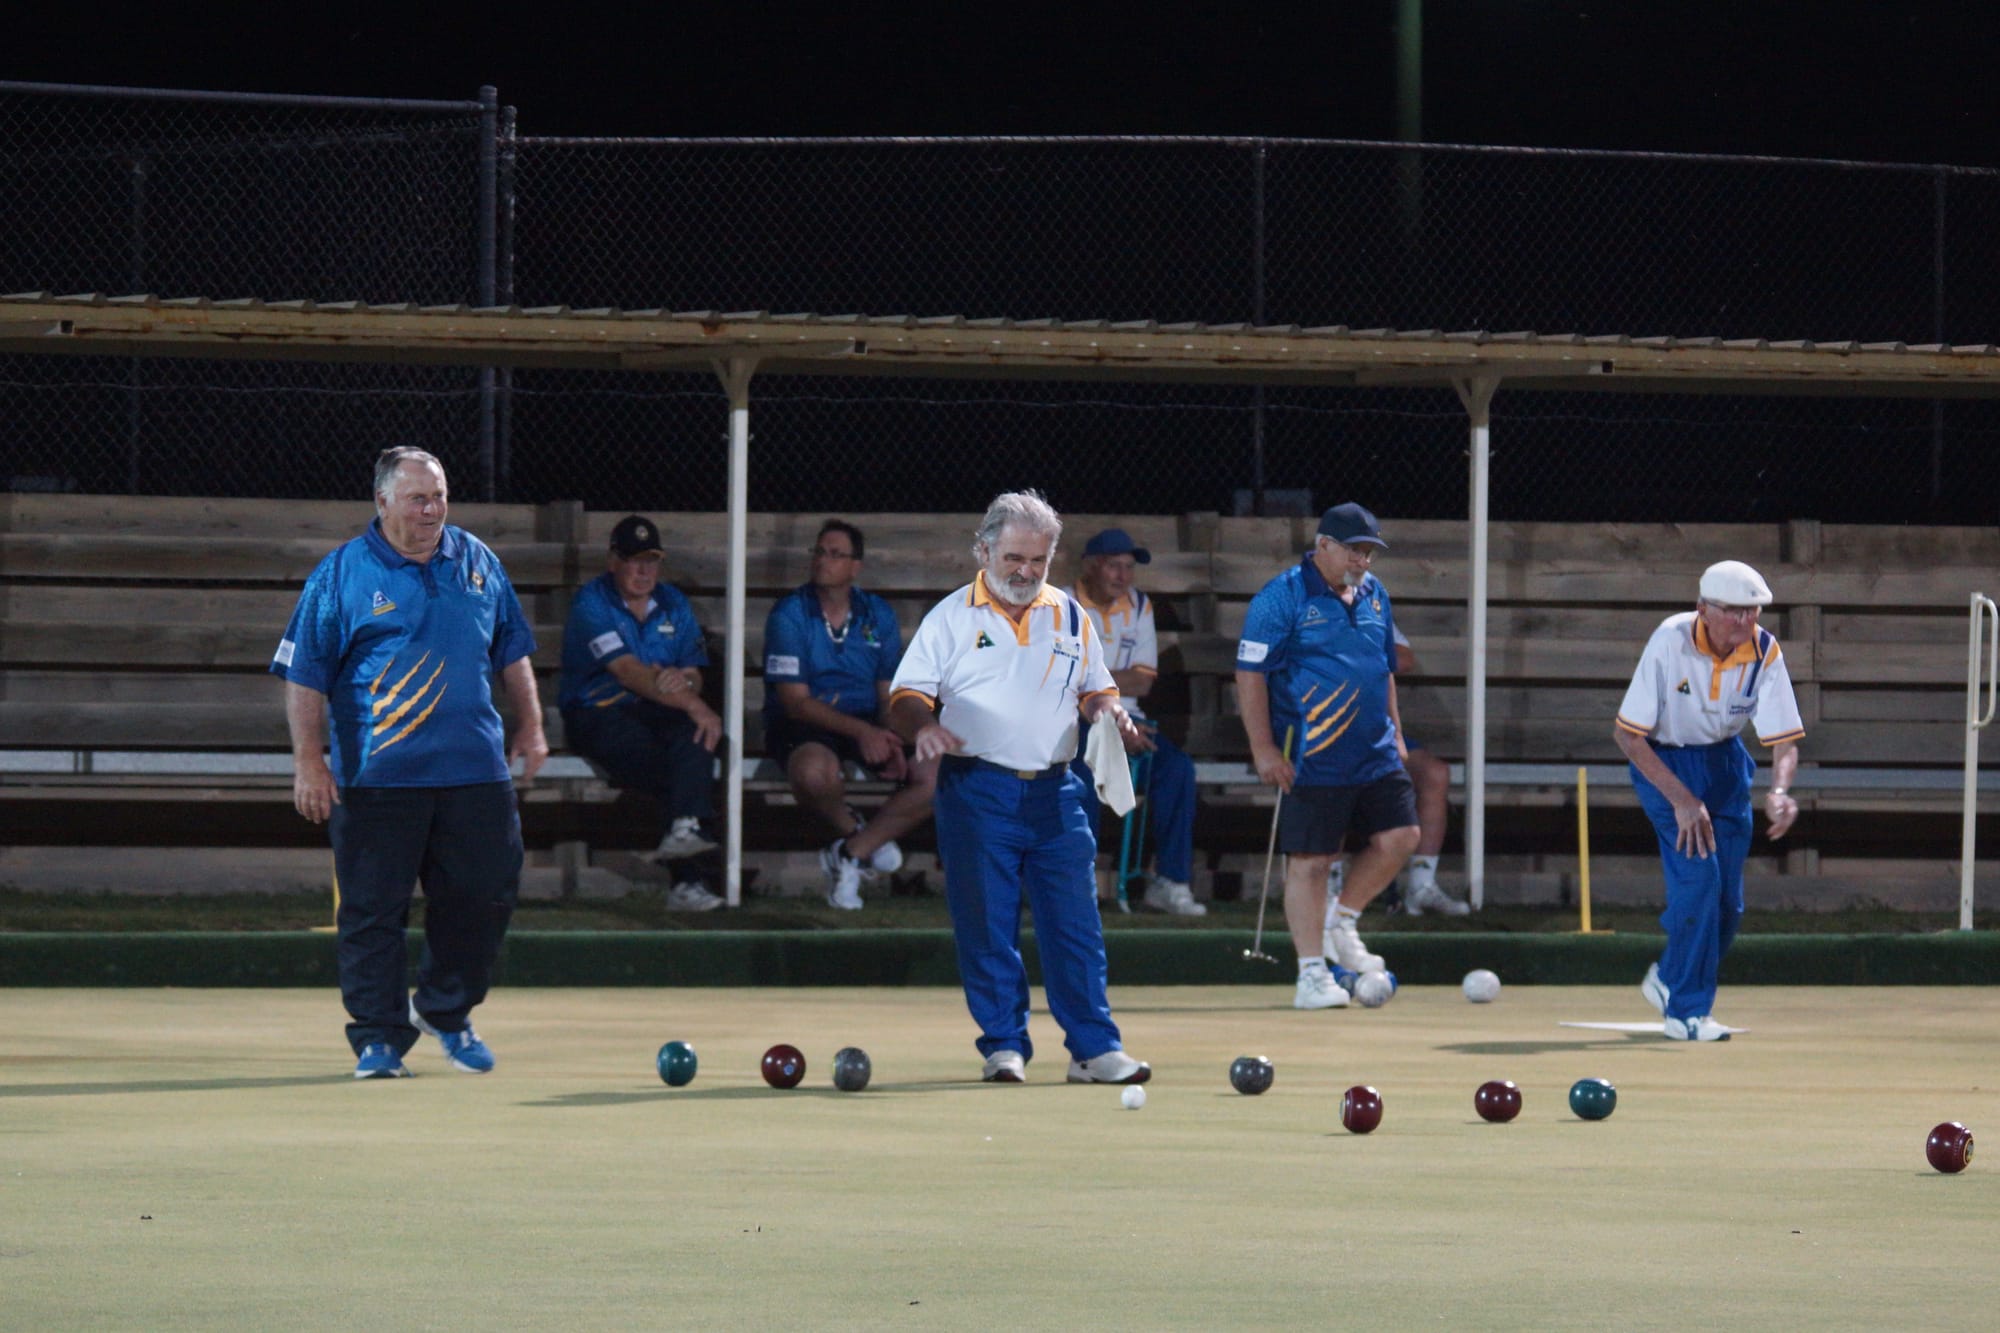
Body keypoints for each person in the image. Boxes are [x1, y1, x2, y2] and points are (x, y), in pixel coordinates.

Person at [274, 446, 547, 1079]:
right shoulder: (341, 574)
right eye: (418, 498)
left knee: (487, 895)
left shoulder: (478, 560)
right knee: (372, 911)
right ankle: (377, 1038)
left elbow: (512, 649)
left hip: (475, 771)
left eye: (440, 496)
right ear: (383, 501)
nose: (432, 509)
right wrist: (309, 761)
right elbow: (305, 673)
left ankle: (445, 1011)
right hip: (378, 777)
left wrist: (532, 724)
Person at [889, 490, 1151, 1085]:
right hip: (977, 787)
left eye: (1038, 560)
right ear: (983, 551)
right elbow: (906, 695)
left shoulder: (1069, 613)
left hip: (1059, 791)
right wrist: (924, 727)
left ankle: (1094, 1050)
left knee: (1076, 925)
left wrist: (1109, 712)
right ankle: (1004, 1046)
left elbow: (1095, 688)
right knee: (987, 923)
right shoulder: (951, 617)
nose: (1026, 571)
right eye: (1014, 558)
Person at [1235, 502, 1420, 1011]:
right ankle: (1311, 973)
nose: (1363, 561)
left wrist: (1397, 733)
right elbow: (1250, 674)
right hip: (1312, 751)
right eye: (1355, 551)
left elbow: (1383, 668)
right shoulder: (1281, 597)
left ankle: (1342, 921)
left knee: (1402, 836)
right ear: (1323, 546)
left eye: (1369, 553)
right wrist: (1262, 748)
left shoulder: (1375, 593)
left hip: (1376, 749)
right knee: (1312, 861)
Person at [1614, 559, 1802, 1042]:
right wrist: (1681, 798)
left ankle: (1670, 976)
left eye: (1752, 611)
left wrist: (1779, 791)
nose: (1744, 620)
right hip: (1665, 764)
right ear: (1703, 609)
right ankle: (1687, 1012)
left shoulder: (1764, 650)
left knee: (1729, 903)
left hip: (1725, 765)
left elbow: (1784, 739)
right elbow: (1628, 736)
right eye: (1733, 610)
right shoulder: (1669, 639)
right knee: (1699, 880)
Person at [763, 519, 938, 910]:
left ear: (855, 566)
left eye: (835, 554)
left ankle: (851, 852)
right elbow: (795, 702)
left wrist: (893, 738)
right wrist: (863, 733)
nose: (823, 561)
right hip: (806, 722)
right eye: (819, 552)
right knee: (813, 773)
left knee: (937, 772)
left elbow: (886, 696)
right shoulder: (790, 614)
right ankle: (853, 829)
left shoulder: (876, 614)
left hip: (865, 719)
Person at [558, 514, 725, 912]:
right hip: (597, 712)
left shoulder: (673, 602)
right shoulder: (592, 602)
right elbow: (628, 672)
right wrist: (694, 703)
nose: (643, 570)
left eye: (651, 560)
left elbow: (693, 671)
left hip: (657, 710)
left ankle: (686, 836)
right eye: (634, 560)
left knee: (697, 736)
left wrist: (683, 683)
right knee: (681, 767)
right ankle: (688, 880)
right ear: (613, 561)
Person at [1068, 527, 1204, 916]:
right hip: (1076, 719)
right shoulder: (1063, 605)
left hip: (1134, 722)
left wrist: (1094, 679)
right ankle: (1077, 883)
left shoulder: (1139, 605)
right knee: (1083, 767)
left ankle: (1170, 882)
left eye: (1129, 568)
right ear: (1091, 566)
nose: (1123, 576)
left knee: (1177, 769)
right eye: (1114, 566)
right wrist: (1107, 700)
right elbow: (1064, 680)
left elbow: (1143, 681)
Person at [1322, 625, 1469, 934]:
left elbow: (1404, 658)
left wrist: (1351, 657)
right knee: (1335, 777)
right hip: (1325, 728)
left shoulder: (1372, 610)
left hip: (1377, 730)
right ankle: (1328, 889)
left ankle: (1421, 886)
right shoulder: (1305, 611)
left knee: (1435, 773)